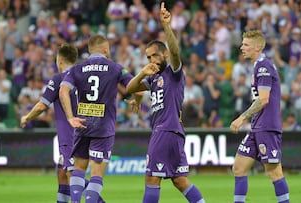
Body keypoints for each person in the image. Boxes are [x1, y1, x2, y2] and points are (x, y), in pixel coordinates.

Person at [125, 2, 205, 203]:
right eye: (148, 57)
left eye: (154, 55)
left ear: (165, 54)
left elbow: (176, 53)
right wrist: (142, 73)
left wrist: (166, 26)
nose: (151, 59)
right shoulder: (152, 79)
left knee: (152, 177)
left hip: (164, 130)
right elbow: (131, 88)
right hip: (173, 132)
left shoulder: (173, 73)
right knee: (179, 180)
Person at [59, 35, 141, 203]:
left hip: (82, 125)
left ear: (90, 50)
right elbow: (137, 88)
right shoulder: (115, 68)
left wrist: (70, 117)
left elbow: (63, 91)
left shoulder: (77, 69)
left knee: (78, 169)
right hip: (103, 127)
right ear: (105, 50)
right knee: (96, 174)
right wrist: (136, 101)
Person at [20, 44, 105, 203]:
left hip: (70, 137)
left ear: (59, 61)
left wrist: (27, 117)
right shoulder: (84, 77)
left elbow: (41, 106)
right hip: (87, 133)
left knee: (73, 176)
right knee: (62, 171)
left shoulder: (59, 79)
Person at [229, 30, 290, 203]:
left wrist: (242, 117)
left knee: (274, 172)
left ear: (257, 47)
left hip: (267, 127)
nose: (242, 47)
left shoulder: (264, 67)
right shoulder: (258, 65)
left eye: (246, 44)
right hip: (258, 126)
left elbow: (263, 99)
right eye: (242, 44)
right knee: (239, 168)